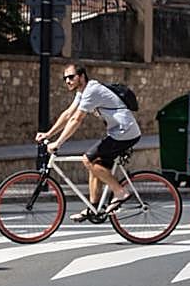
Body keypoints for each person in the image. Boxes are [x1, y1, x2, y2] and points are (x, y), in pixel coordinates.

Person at [35, 63, 141, 222]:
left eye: (71, 77)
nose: (68, 81)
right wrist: (48, 134)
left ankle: (120, 192)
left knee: (88, 159)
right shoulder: (82, 92)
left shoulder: (92, 90)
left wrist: (58, 143)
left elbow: (76, 119)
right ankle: (94, 208)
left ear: (82, 77)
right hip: (117, 132)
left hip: (125, 133)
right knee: (95, 165)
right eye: (65, 79)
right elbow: (68, 114)